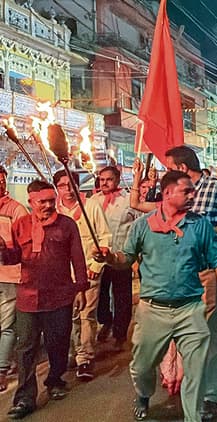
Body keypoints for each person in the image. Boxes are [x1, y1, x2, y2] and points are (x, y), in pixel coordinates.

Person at [96, 170, 217, 422]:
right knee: (141, 366)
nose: (193, 195)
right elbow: (125, 259)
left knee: (196, 370)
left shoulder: (200, 224)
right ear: (168, 193)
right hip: (153, 310)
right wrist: (109, 258)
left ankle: (193, 417)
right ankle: (143, 394)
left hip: (191, 309)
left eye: (193, 191)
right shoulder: (142, 225)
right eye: (187, 191)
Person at [131, 146, 217, 419]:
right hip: (181, 275)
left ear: (183, 168)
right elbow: (140, 207)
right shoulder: (173, 194)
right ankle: (195, 388)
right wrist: (138, 180)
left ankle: (208, 396)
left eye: (169, 167)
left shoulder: (215, 188)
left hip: (212, 269)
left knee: (207, 334)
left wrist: (212, 230)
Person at [2, 180, 88, 419]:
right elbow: (12, 258)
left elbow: (78, 258)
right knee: (26, 349)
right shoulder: (20, 225)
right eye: (43, 201)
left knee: (58, 342)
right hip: (28, 298)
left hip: (60, 297)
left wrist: (81, 289)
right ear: (31, 202)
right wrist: (3, 250)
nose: (48, 205)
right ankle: (24, 398)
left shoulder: (67, 225)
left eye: (52, 200)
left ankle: (55, 380)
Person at [53, 170, 112, 381]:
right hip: (61, 276)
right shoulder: (54, 210)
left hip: (88, 271)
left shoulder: (91, 206)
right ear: (56, 188)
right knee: (68, 316)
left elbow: (105, 237)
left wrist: (97, 264)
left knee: (87, 315)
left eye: (72, 184)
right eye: (62, 185)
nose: (68, 190)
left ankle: (85, 357)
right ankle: (74, 351)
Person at [90, 166, 140, 351]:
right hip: (98, 259)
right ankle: (106, 321)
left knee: (122, 297)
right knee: (100, 296)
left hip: (121, 257)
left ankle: (120, 334)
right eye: (102, 179)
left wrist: (136, 255)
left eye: (109, 179)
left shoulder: (128, 200)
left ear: (117, 180)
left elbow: (138, 226)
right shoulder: (93, 201)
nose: (104, 183)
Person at [0, 166, 28, 392]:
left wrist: (6, 248)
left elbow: (26, 244)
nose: (0, 184)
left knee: (7, 325)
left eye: (2, 180)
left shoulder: (17, 210)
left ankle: (1, 370)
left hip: (9, 275)